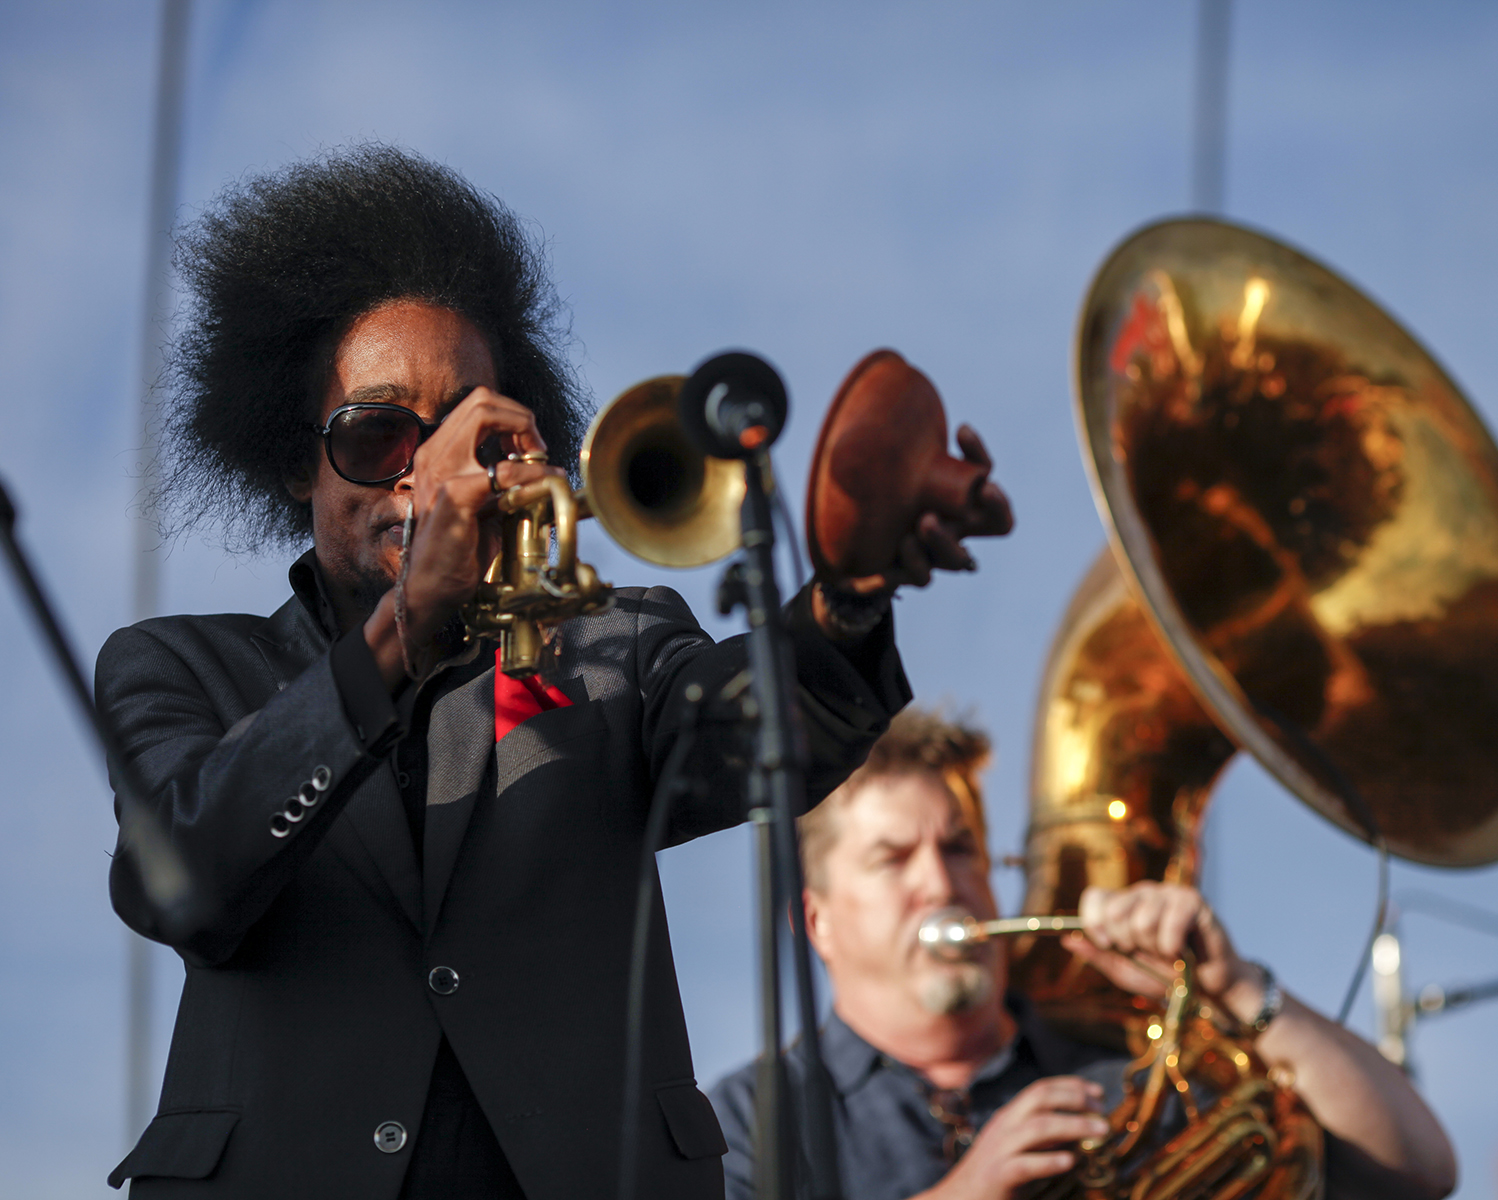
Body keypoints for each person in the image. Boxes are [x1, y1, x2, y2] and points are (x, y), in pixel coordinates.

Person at [95, 147, 1010, 1198]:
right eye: (379, 433)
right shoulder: (180, 667)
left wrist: (848, 593)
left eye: (463, 435)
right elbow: (180, 885)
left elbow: (766, 736)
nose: (429, 473)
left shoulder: (615, 643)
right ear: (296, 461)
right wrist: (405, 630)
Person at [710, 708, 1458, 1200]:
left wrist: (1235, 989)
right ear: (817, 921)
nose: (941, 884)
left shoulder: (1133, 1071)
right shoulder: (745, 1122)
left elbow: (1418, 1170)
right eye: (892, 859)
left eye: (961, 849)